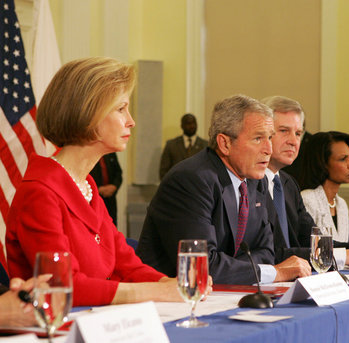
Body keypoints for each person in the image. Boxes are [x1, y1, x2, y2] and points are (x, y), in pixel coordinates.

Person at [6, 57, 209, 307]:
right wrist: (157, 292)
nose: (131, 121)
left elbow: (128, 266)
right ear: (88, 113)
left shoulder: (87, 186)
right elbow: (65, 286)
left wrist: (168, 284)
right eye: (121, 109)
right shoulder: (40, 192)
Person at [137, 94, 311, 285]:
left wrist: (233, 269)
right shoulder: (191, 179)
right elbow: (203, 266)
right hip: (173, 304)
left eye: (270, 137)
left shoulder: (253, 181)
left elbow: (266, 252)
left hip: (229, 295)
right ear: (225, 143)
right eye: (258, 138)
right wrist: (274, 273)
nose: (268, 149)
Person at [263, 96, 349, 269]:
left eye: (298, 133)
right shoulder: (250, 184)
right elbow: (273, 254)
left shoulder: (288, 184)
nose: (293, 141)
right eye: (283, 131)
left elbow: (312, 241)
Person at [159, 113, 208, 179]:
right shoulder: (171, 145)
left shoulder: (206, 145)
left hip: (199, 186)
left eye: (194, 123)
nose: (192, 126)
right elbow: (163, 172)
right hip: (176, 186)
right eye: (188, 123)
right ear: (182, 126)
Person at [90, 152, 122, 225]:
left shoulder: (110, 152)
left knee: (112, 226)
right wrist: (98, 189)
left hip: (110, 199)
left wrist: (114, 186)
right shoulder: (88, 153)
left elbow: (118, 172)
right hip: (93, 198)